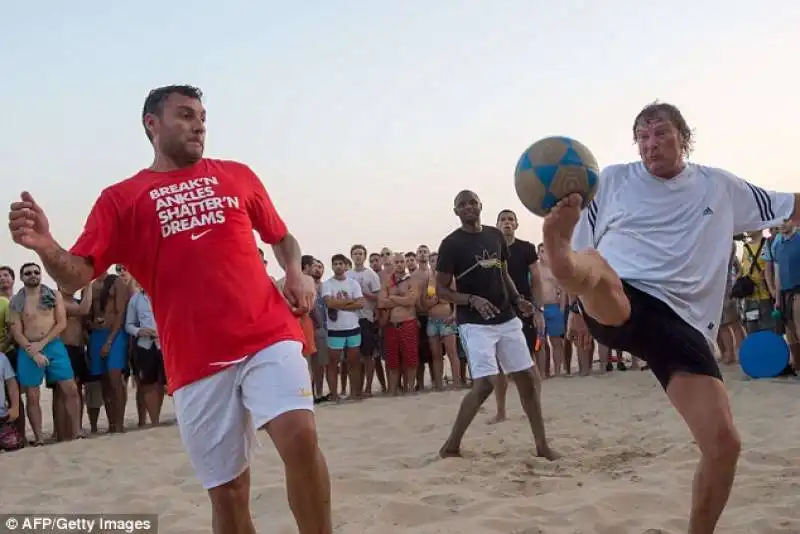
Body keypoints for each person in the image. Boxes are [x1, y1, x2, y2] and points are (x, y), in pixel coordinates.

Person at [8, 85, 330, 534]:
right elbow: (75, 275)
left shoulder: (236, 175)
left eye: (202, 115)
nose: (198, 123)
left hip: (266, 332)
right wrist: (46, 246)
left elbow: (281, 236)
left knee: (300, 436)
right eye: (184, 114)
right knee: (230, 492)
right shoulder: (121, 198)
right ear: (151, 125)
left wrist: (295, 270)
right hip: (196, 357)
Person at [545, 101, 798, 534]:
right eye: (642, 137)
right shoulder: (611, 181)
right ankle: (554, 246)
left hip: (683, 326)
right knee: (602, 279)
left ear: (684, 137)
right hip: (622, 293)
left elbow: (790, 204)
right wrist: (574, 306)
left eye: (660, 133)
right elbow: (585, 249)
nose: (651, 144)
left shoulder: (718, 186)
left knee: (724, 445)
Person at [435, 190, 558, 460]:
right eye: (462, 205)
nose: (468, 207)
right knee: (486, 383)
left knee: (526, 378)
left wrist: (518, 300)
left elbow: (503, 273)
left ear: (480, 206)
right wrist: (471, 299)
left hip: (506, 317)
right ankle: (451, 445)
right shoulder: (451, 245)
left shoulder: (495, 236)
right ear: (455, 211)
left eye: (472, 203)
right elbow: (442, 290)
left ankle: (542, 446)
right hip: (475, 323)